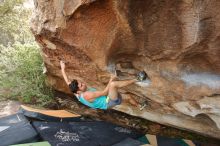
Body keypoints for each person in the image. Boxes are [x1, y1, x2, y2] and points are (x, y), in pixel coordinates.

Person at [60, 60, 147, 110]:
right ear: (79, 90)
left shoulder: (76, 92)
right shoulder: (87, 95)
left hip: (108, 100)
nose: (83, 84)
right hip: (109, 102)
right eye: (81, 85)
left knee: (128, 97)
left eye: (81, 82)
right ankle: (138, 79)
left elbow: (67, 80)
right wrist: (111, 78)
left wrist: (63, 68)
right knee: (113, 85)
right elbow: (105, 92)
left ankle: (140, 106)